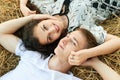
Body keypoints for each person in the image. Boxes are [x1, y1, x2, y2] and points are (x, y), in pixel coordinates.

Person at [0, 19, 120, 80]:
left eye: (73, 42)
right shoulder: (32, 55)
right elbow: (1, 32)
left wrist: (94, 61)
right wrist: (34, 18)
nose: (64, 40)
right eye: (67, 36)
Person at [19, 0, 120, 62]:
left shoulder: (48, 9)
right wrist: (88, 53)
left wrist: (22, 5)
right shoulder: (79, 30)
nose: (53, 29)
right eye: (50, 37)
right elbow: (116, 41)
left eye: (44, 27)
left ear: (40, 20)